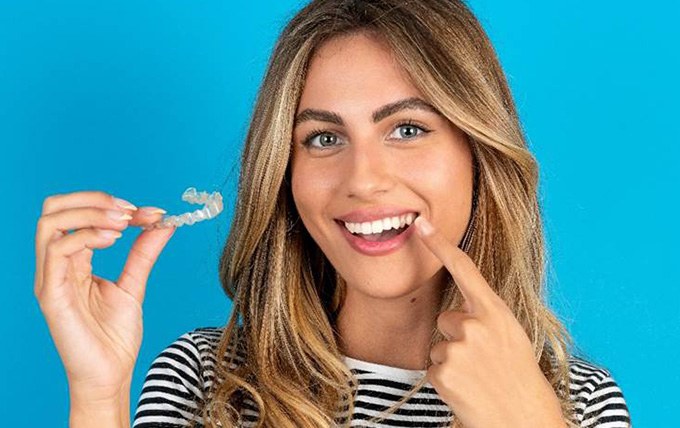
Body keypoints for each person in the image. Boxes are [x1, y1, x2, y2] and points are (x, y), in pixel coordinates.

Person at [35, 0, 633, 427]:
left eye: (407, 128)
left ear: (479, 153)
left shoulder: (577, 402)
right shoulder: (201, 379)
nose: (363, 180)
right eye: (323, 138)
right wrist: (97, 395)